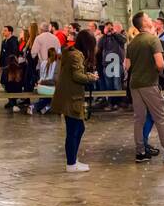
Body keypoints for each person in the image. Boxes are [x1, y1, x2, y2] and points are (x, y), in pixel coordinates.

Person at [126, 12, 164, 163]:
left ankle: (140, 152)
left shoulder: (132, 42)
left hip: (134, 84)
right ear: (143, 23)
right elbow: (160, 64)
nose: (151, 20)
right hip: (149, 84)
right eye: (147, 18)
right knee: (160, 118)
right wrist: (153, 70)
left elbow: (126, 66)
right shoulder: (153, 40)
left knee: (138, 119)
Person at [50, 28, 100, 173]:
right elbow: (77, 76)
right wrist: (92, 77)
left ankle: (73, 160)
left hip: (70, 96)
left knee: (78, 128)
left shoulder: (71, 53)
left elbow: (75, 73)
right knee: (73, 130)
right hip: (71, 98)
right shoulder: (76, 56)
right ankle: (71, 163)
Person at [30, 23, 62, 114]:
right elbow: (59, 52)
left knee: (44, 84)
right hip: (55, 65)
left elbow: (33, 54)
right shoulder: (55, 38)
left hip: (43, 64)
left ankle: (40, 105)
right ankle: (47, 106)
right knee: (52, 86)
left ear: (41, 29)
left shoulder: (39, 38)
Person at [98, 23, 127, 110]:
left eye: (112, 27)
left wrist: (114, 33)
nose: (110, 29)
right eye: (108, 28)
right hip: (107, 64)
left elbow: (123, 40)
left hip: (117, 64)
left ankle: (118, 103)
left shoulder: (119, 36)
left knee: (116, 85)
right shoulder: (105, 38)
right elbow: (100, 45)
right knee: (108, 85)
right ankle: (110, 103)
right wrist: (105, 34)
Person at [0, 25, 22, 111]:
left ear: (10, 32)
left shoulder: (14, 40)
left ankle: (13, 102)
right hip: (5, 66)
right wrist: (0, 65)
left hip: (12, 66)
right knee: (4, 82)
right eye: (3, 30)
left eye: (5, 30)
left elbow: (15, 53)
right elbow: (1, 54)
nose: (3, 32)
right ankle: (11, 100)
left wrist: (12, 64)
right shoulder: (4, 41)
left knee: (11, 84)